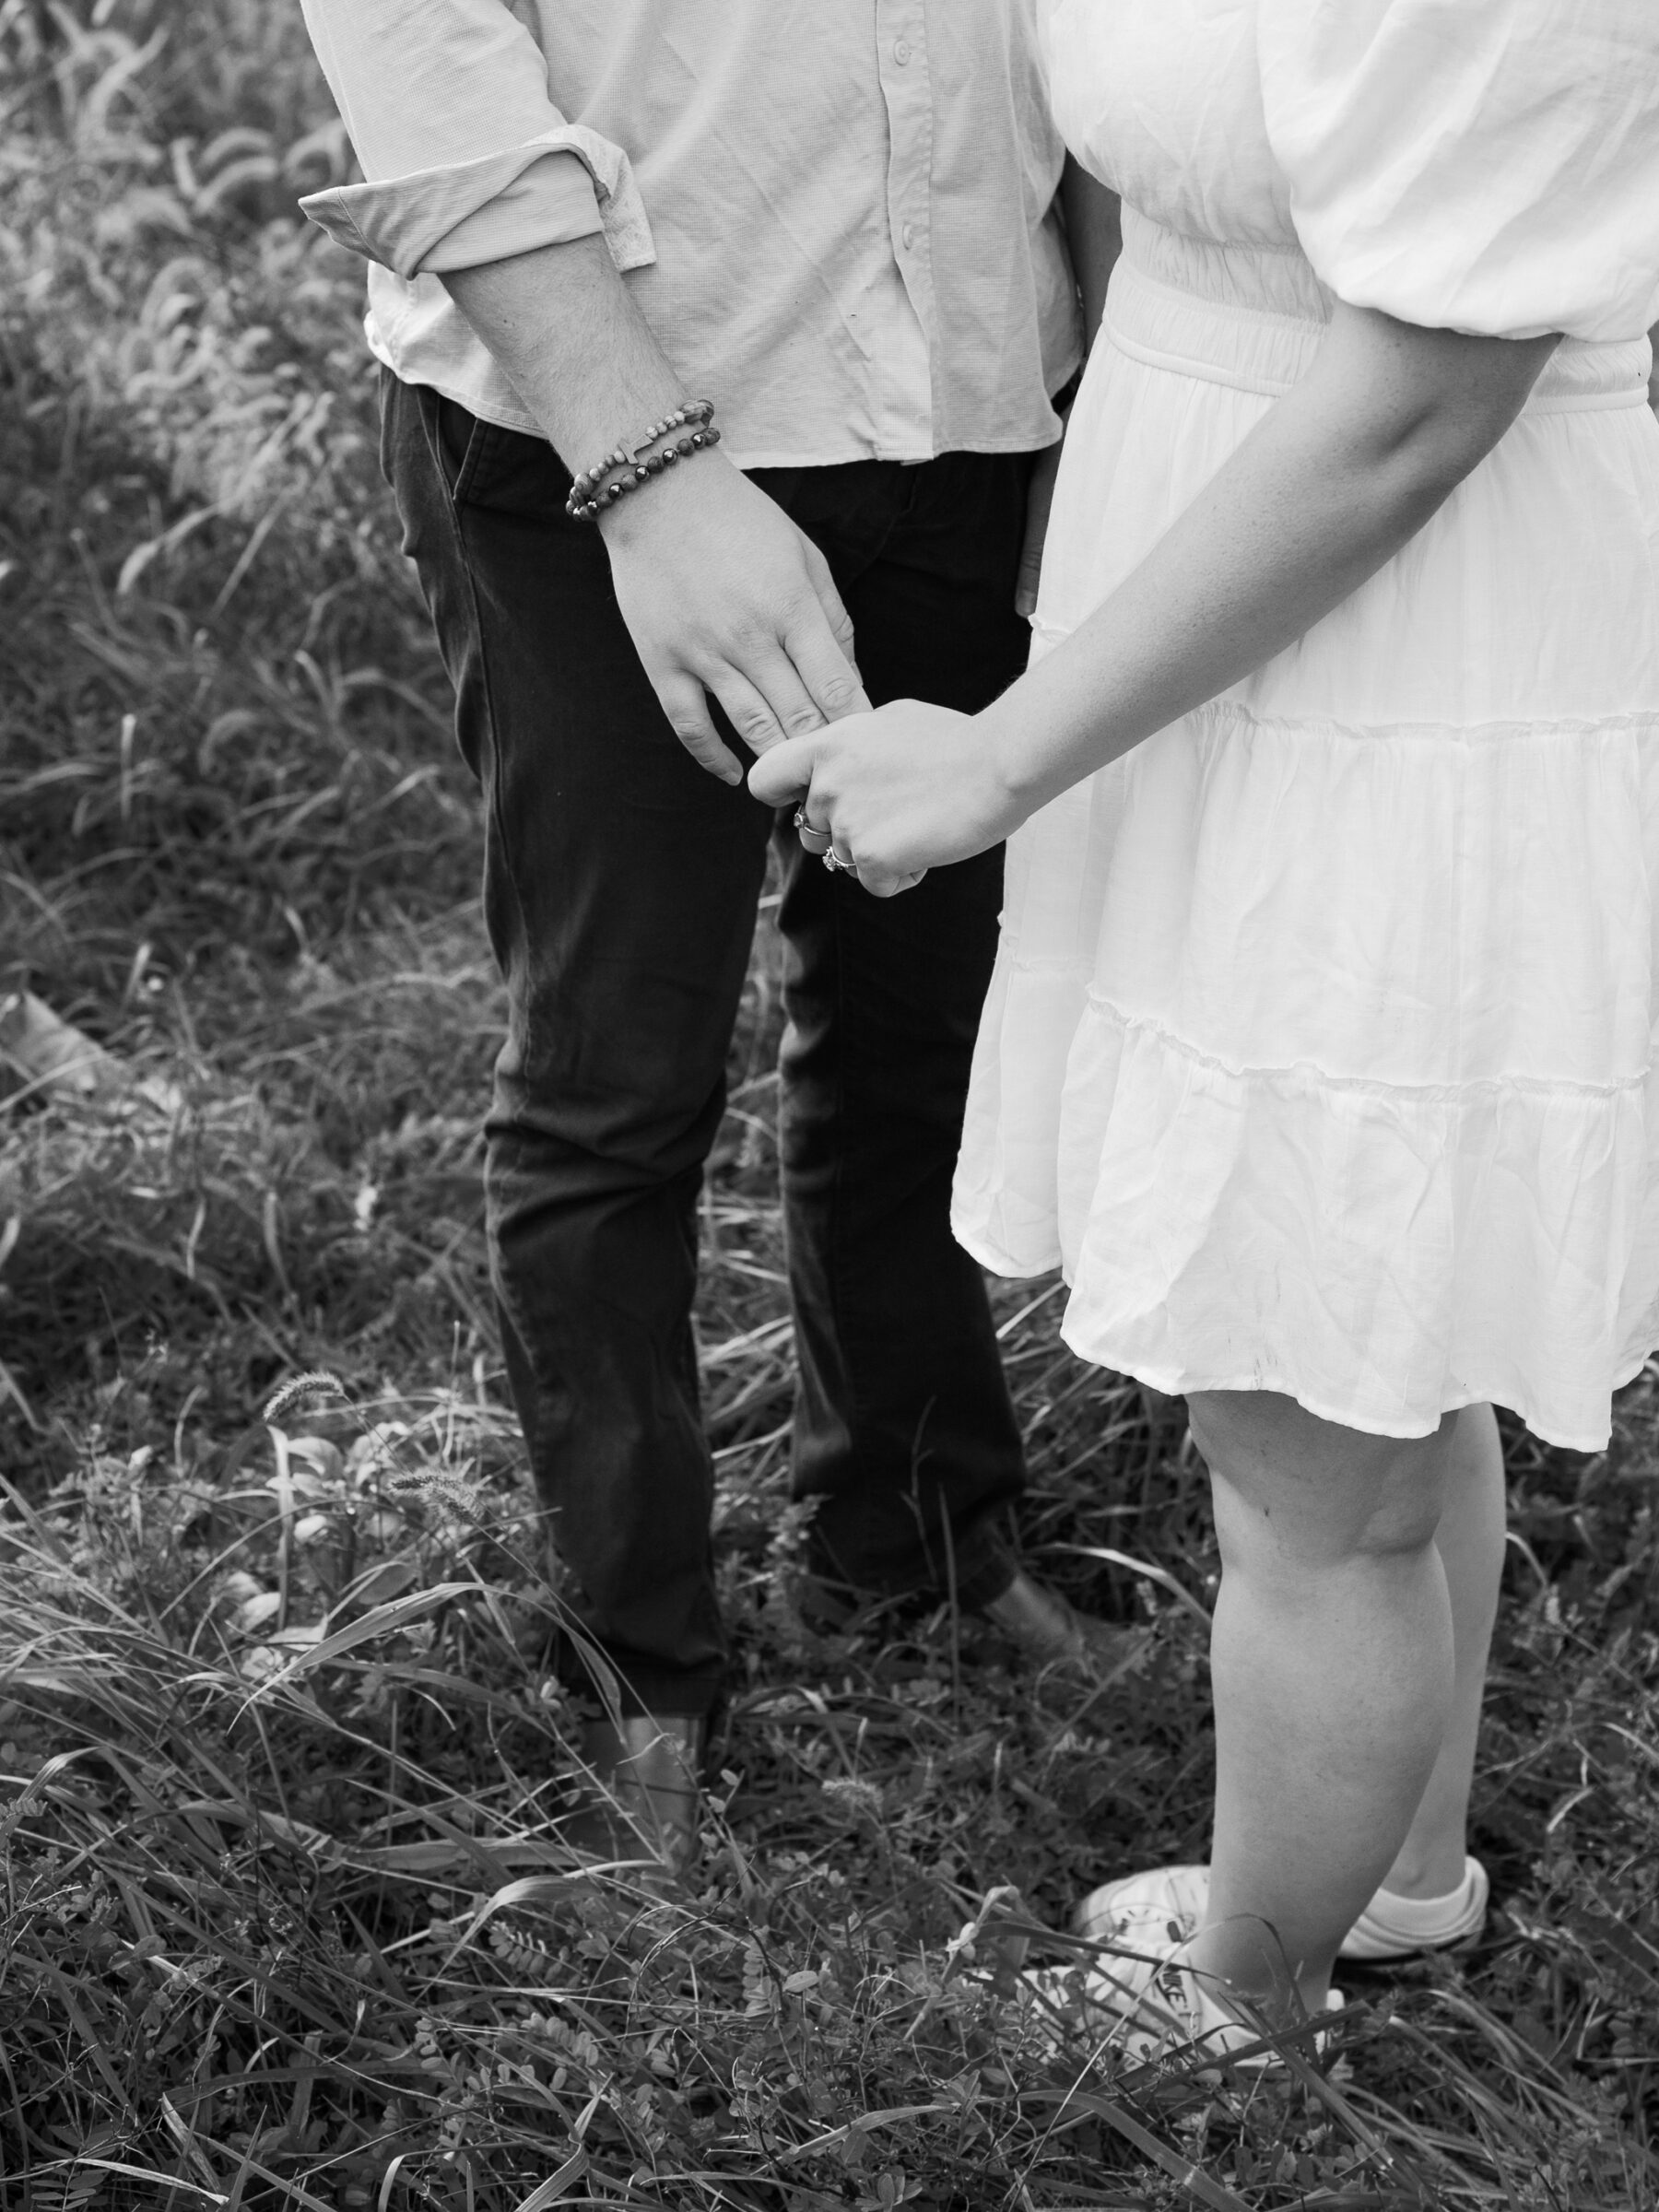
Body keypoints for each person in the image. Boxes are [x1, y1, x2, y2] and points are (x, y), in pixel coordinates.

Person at [752, 0, 1659, 2053]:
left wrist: (993, 766)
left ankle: (1244, 2005)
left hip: (1392, 628)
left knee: (1303, 1416)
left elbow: (1425, 395)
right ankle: (1402, 1879)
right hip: (1234, 574)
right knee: (1375, 1331)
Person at [294, 0, 1112, 1867]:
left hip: (978, 399)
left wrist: (1105, 378)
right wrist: (653, 479)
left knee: (923, 1028)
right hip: (607, 437)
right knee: (618, 1074)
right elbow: (429, 63)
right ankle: (639, 1670)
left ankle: (920, 1542)